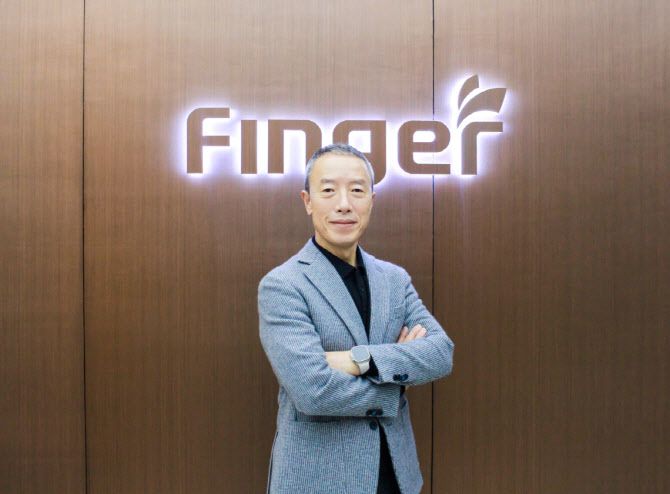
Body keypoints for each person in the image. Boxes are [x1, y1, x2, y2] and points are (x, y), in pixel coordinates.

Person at [258, 143, 454, 494]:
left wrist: (357, 360)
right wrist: (396, 384)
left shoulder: (394, 279)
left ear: (372, 201)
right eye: (328, 190)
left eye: (357, 191)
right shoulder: (283, 284)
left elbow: (440, 353)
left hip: (395, 476)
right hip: (319, 480)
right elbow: (312, 391)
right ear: (307, 201)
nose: (344, 204)